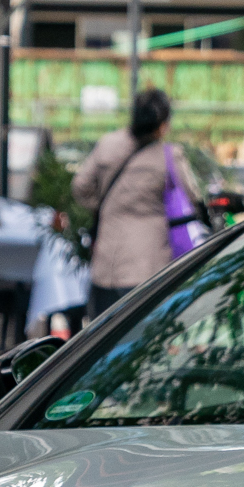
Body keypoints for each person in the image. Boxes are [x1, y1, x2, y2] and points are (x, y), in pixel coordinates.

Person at [72, 87, 202, 321]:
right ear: (162, 123)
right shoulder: (169, 155)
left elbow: (80, 186)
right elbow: (193, 196)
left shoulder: (108, 144)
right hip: (148, 266)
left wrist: (103, 206)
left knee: (103, 340)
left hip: (106, 265)